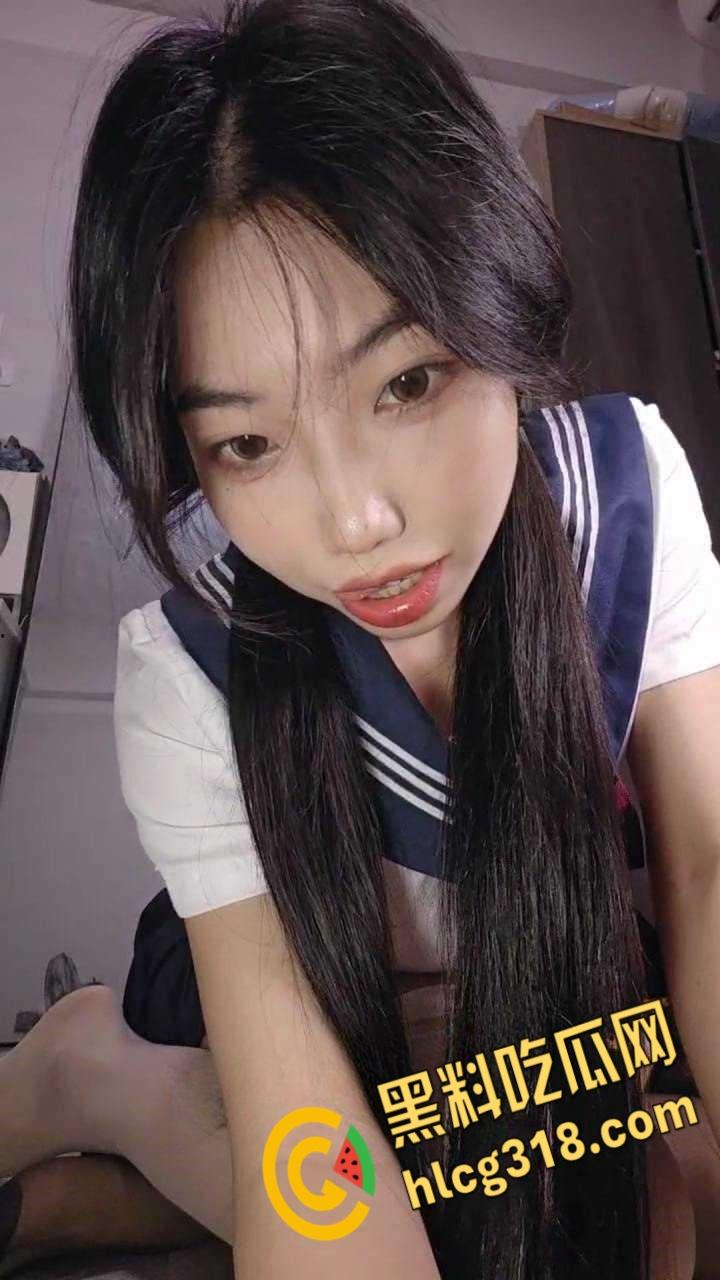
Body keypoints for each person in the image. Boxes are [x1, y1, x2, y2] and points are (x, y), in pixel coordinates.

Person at [2, 0, 720, 1275]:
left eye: (407, 382)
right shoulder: (193, 669)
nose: (355, 524)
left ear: (496, 303)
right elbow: (307, 1133)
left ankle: (83, 1191)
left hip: (504, 1008)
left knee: (648, 1167)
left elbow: (708, 866)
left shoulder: (623, 499)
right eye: (246, 443)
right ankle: (106, 1072)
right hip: (273, 980)